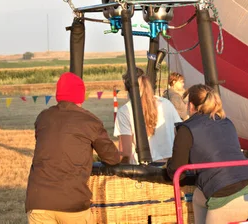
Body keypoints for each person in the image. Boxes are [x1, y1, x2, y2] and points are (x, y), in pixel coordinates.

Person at [25, 72, 120, 223]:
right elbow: (112, 158)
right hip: (72, 202)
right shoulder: (90, 121)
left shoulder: (43, 118)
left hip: (38, 200)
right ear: (80, 96)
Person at [167, 84, 248, 223]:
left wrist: (168, 165)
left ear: (191, 106)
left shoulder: (186, 129)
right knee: (199, 195)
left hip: (227, 196)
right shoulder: (227, 122)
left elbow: (176, 171)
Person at [114, 67, 181, 164]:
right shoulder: (166, 103)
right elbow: (178, 134)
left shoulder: (125, 111)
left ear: (126, 87)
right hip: (169, 168)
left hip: (143, 171)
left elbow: (126, 153)